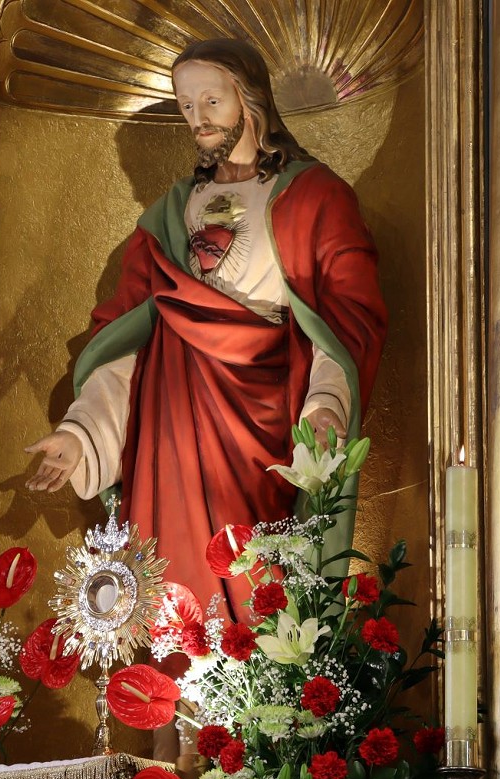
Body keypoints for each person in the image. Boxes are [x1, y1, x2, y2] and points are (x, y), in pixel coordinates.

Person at [25, 37, 387, 621]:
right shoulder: (173, 213)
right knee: (176, 589)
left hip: (263, 425)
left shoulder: (316, 197)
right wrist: (81, 432)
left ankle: (264, 673)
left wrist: (326, 403)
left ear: (251, 99)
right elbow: (126, 338)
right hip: (171, 418)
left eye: (211, 101)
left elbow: (346, 319)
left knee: (257, 585)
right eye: (186, 105)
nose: (198, 118)